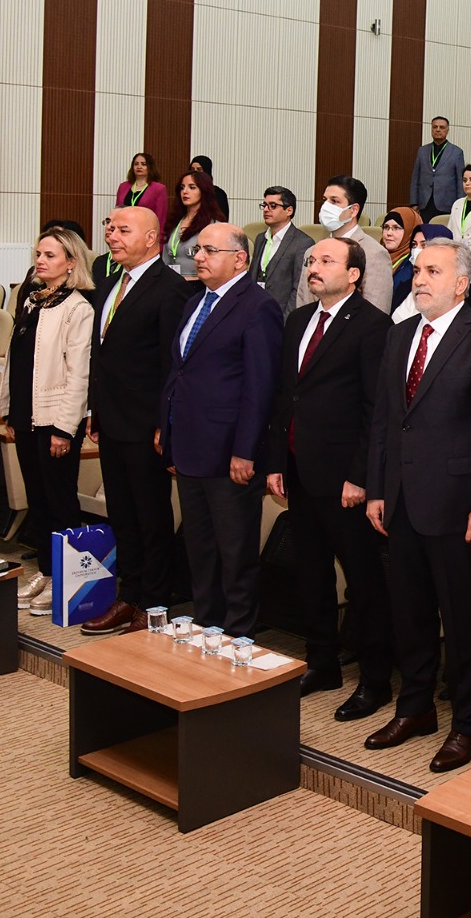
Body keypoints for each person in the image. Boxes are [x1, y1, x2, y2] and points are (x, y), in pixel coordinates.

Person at [365, 238, 471, 774]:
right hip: (401, 501)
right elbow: (385, 421)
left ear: (461, 283)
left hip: (459, 508)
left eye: (433, 271)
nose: (419, 279)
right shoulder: (400, 334)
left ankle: (468, 724)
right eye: (417, 270)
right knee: (408, 613)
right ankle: (415, 708)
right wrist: (378, 489)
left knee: (463, 620)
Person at [266, 237, 396, 714]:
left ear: (354, 274)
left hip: (345, 480)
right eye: (311, 261)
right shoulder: (299, 320)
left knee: (363, 581)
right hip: (299, 469)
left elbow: (375, 410)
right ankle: (321, 661)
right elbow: (286, 396)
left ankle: (376, 680)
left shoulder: (373, 326)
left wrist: (360, 476)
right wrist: (276, 461)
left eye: (325, 261)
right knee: (311, 573)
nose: (313, 268)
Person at [160, 223, 282, 637]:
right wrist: (167, 429)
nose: (198, 257)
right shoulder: (195, 301)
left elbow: (260, 387)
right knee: (200, 546)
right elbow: (179, 371)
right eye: (197, 250)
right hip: (189, 445)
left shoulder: (258, 307)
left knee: (235, 550)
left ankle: (238, 631)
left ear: (240, 259)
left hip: (230, 452)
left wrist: (246, 451)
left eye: (210, 250)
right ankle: (206, 623)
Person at [78, 205, 192, 635]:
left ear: (150, 238)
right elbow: (101, 355)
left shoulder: (170, 288)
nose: (112, 235)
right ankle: (130, 593)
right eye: (110, 228)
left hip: (146, 425)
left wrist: (166, 422)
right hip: (111, 418)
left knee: (150, 516)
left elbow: (171, 364)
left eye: (123, 230)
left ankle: (155, 602)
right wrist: (94, 409)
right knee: (122, 514)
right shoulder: (110, 283)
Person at [0, 229, 96, 617]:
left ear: (71, 263)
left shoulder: (77, 308)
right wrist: (9, 410)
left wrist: (64, 428)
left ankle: (65, 579)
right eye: (38, 253)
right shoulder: (32, 300)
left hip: (55, 419)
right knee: (37, 501)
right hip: (26, 414)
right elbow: (16, 361)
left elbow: (79, 375)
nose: (40, 260)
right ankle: (45, 571)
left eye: (50, 255)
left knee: (60, 502)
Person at [300, 175, 391, 314]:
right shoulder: (311, 252)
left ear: (353, 210)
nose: (326, 207)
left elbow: (377, 311)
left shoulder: (374, 253)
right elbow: (303, 303)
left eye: (334, 201)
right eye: (325, 200)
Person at [250, 185, 316, 319]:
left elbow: (298, 288)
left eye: (273, 206)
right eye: (265, 205)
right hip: (254, 312)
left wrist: (286, 321)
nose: (266, 210)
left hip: (280, 315)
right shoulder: (260, 238)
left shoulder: (303, 243)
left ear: (289, 210)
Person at [162, 168, 225, 284]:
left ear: (204, 191)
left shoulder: (213, 225)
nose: (185, 191)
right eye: (182, 187)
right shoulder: (175, 221)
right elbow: (165, 257)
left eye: (192, 187)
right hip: (172, 283)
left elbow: (217, 263)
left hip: (199, 284)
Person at [394, 222, 455, 323]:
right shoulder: (404, 285)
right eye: (414, 245)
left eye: (424, 245)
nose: (416, 250)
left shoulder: (454, 289)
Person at [409, 116, 465, 219]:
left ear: (447, 130)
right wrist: (414, 203)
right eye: (435, 127)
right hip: (425, 203)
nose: (438, 130)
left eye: (442, 127)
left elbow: (460, 181)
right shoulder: (422, 151)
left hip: (447, 204)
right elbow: (415, 178)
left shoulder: (456, 152)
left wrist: (460, 205)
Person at [381, 208, 424, 312]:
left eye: (396, 228)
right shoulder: (376, 255)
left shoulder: (413, 265)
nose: (389, 233)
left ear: (410, 232)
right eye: (386, 227)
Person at [116, 152, 168, 229]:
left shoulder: (159, 189)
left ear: (150, 167)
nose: (139, 167)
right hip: (123, 230)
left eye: (143, 164)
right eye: (136, 164)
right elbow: (117, 212)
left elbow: (161, 217)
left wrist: (158, 234)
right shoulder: (123, 186)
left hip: (145, 231)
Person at [90, 214, 122, 283]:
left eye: (116, 222)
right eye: (108, 222)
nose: (108, 227)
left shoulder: (132, 263)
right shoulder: (99, 261)